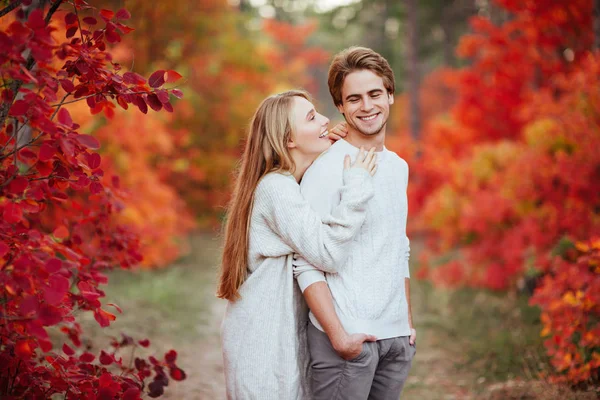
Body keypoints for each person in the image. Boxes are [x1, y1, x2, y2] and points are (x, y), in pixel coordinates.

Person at [217, 89, 379, 399]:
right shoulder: (277, 188)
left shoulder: (285, 183)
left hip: (271, 336)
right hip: (260, 344)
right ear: (289, 139)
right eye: (311, 117)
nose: (324, 120)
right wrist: (357, 185)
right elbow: (328, 253)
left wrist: (325, 151)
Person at [293, 46, 417, 400]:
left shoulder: (398, 167)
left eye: (375, 94)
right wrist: (339, 337)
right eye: (354, 98)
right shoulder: (327, 167)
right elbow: (305, 260)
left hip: (395, 341)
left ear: (390, 95)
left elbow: (399, 247)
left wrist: (405, 323)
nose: (367, 106)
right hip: (346, 342)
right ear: (341, 107)